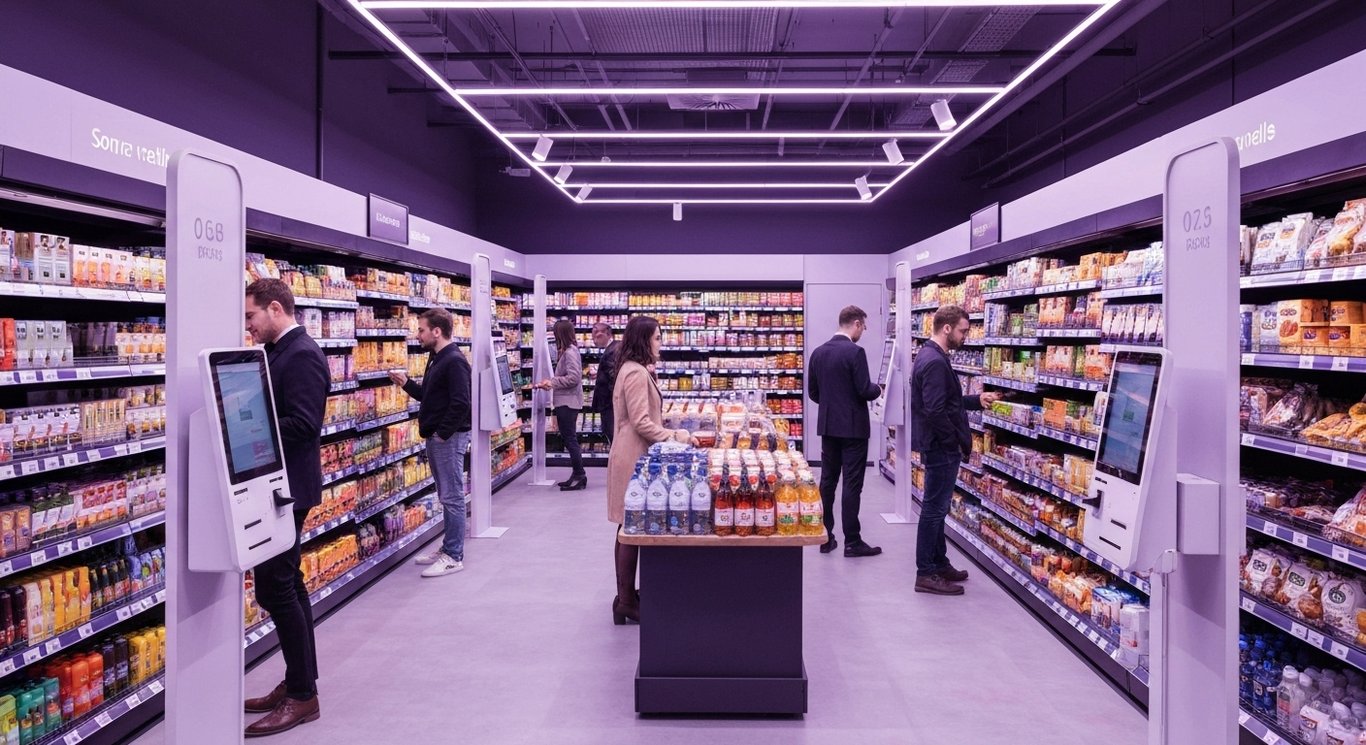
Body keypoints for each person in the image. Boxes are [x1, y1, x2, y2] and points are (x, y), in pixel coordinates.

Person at [242, 279, 329, 737]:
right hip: (279, 487)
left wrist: (246, 429)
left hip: (287, 491)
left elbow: (302, 424)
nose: (249, 327)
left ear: (276, 309)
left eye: (252, 316)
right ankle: (300, 681)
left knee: (276, 589)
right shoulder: (280, 351)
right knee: (287, 585)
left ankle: (302, 697)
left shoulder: (301, 355)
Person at [605, 316, 696, 624]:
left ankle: (626, 596)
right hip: (632, 456)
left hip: (637, 452)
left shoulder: (636, 370)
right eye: (657, 338)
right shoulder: (634, 372)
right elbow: (641, 422)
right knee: (630, 528)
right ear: (644, 340)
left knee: (629, 527)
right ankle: (626, 601)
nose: (661, 343)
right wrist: (678, 437)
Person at [910, 305, 1003, 596]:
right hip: (941, 447)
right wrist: (953, 442)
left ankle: (939, 562)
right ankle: (925, 572)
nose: (966, 335)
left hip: (938, 444)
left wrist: (976, 399)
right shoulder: (935, 361)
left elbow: (947, 402)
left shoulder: (930, 355)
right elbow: (936, 410)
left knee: (938, 508)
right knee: (934, 510)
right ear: (947, 328)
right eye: (963, 330)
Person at [390, 308, 473, 579]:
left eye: (422, 330)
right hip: (438, 436)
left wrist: (443, 434)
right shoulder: (436, 358)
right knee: (445, 495)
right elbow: (430, 396)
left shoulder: (454, 360)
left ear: (437, 331)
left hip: (447, 438)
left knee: (452, 496)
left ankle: (453, 556)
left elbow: (462, 402)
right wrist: (406, 384)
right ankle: (448, 548)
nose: (418, 334)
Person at [807, 305, 884, 559]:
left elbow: (814, 393)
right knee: (852, 483)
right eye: (864, 326)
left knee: (828, 481)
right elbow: (864, 390)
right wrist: (880, 390)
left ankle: (826, 537)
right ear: (857, 324)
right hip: (853, 429)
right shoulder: (855, 352)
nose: (863, 331)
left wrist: (833, 405)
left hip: (829, 427)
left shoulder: (818, 353)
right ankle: (852, 541)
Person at [535, 319, 586, 491]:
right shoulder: (569, 351)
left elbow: (574, 378)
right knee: (569, 439)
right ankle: (577, 474)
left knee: (570, 439)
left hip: (568, 402)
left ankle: (580, 475)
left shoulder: (570, 352)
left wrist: (552, 382)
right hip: (567, 401)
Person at [590, 322, 621, 445]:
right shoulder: (615, 347)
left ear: (603, 334)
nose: (594, 341)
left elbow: (614, 376)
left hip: (609, 404)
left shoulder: (611, 351)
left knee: (612, 434)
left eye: (594, 337)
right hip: (611, 403)